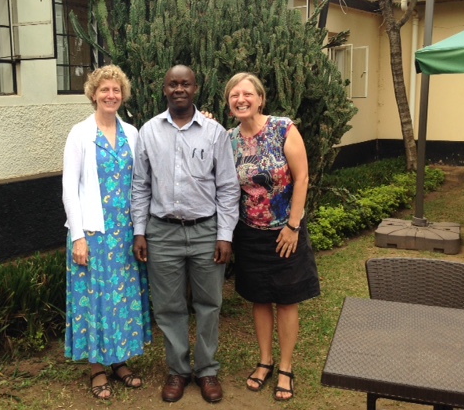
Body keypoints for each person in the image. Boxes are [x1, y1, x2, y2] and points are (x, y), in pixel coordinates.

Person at [132, 65, 240, 403]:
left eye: (186, 84)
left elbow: (227, 187)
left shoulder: (215, 133)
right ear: (164, 89)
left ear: (196, 88)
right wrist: (139, 232)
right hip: (161, 232)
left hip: (206, 230)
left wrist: (224, 235)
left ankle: (207, 371)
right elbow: (140, 186)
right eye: (173, 84)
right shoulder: (148, 131)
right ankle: (178, 370)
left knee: (209, 304)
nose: (179, 89)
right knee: (168, 307)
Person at [224, 72, 320, 401]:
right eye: (234, 95)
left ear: (260, 98)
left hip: (285, 231)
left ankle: (286, 367)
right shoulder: (229, 139)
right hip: (249, 233)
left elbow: (302, 176)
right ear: (228, 103)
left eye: (247, 93)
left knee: (287, 298)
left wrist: (293, 226)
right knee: (260, 298)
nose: (241, 99)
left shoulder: (282, 128)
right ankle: (264, 361)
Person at [61, 64, 153, 400]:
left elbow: (141, 181)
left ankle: (120, 362)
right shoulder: (80, 134)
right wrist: (78, 236)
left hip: (125, 233)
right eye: (105, 90)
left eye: (116, 90)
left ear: (122, 95)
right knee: (96, 300)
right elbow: (69, 187)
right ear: (94, 94)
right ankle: (97, 367)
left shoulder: (132, 133)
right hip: (94, 233)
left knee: (123, 298)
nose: (111, 95)